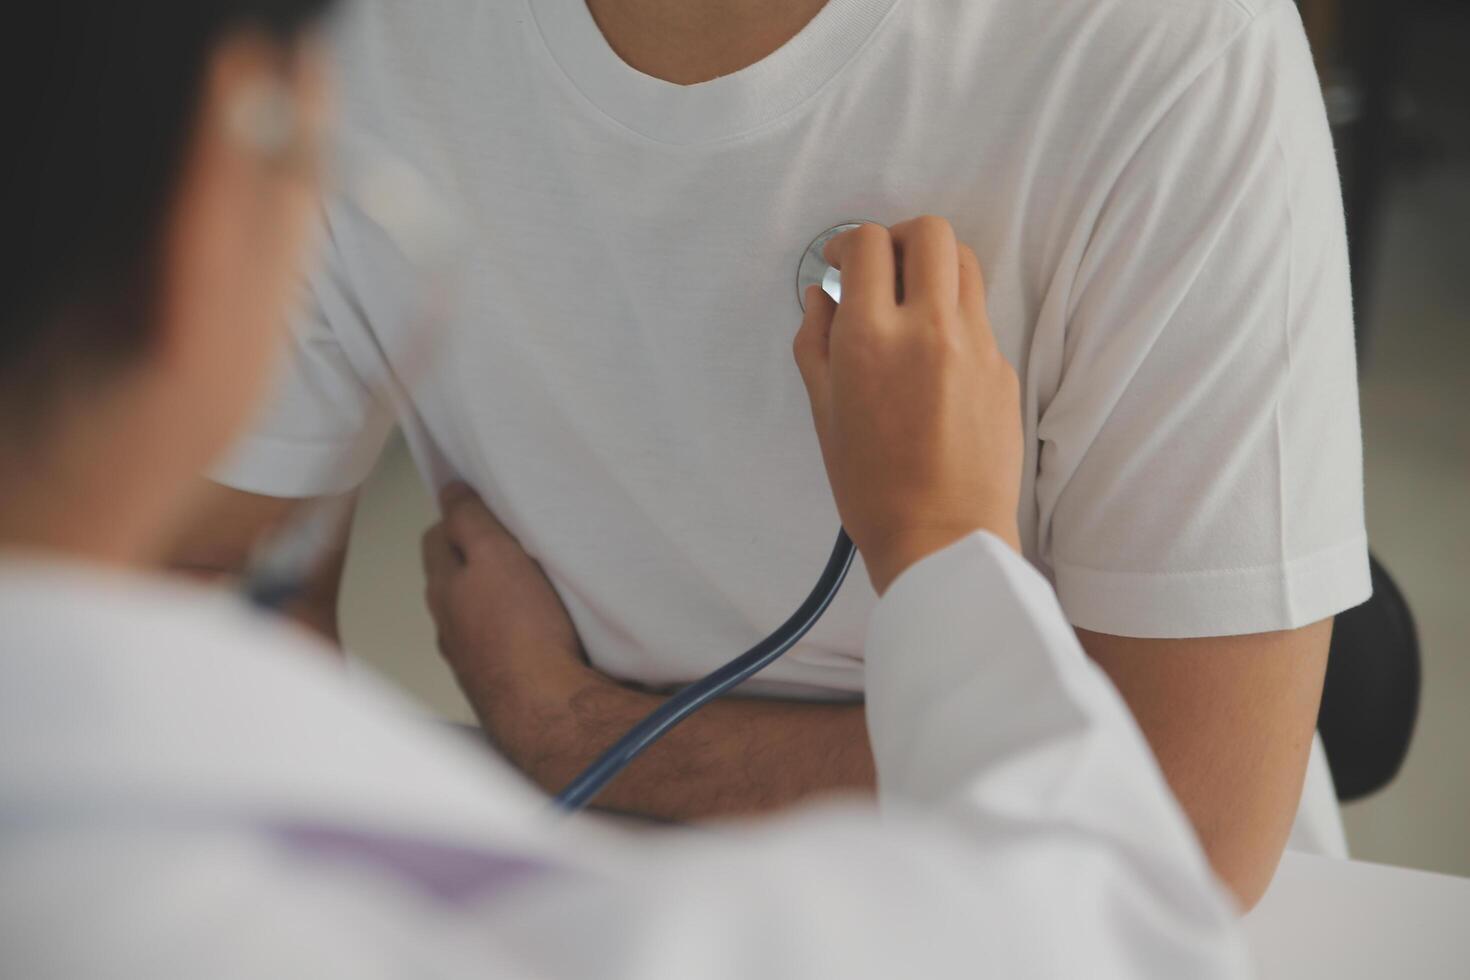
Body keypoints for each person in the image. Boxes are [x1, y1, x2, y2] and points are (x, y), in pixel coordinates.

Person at [0, 2, 1259, 975]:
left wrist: (571, 727)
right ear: (212, 218)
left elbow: (1208, 803)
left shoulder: (1170, 53)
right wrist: (940, 544)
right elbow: (1118, 925)